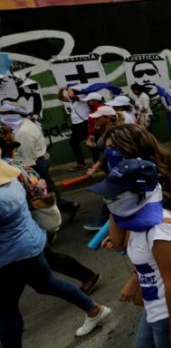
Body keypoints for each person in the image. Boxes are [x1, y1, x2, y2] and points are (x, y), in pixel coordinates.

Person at [0, 157, 111, 348]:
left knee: (6, 311)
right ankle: (94, 309)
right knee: (46, 284)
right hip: (30, 244)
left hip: (10, 257)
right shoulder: (12, 181)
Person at [92, 159, 171, 348]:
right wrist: (116, 208)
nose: (109, 199)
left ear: (139, 194)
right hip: (156, 308)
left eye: (115, 194)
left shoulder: (160, 228)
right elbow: (117, 244)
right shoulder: (138, 216)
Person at [0, 125, 102, 294]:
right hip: (24, 223)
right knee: (44, 258)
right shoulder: (15, 164)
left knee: (46, 258)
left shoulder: (11, 168)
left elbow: (37, 190)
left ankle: (87, 281)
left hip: (24, 222)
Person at [6, 102, 80, 220]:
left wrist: (26, 177)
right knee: (46, 191)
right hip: (39, 161)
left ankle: (62, 210)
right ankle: (67, 207)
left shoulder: (22, 132)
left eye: (4, 113)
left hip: (33, 165)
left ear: (14, 114)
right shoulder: (25, 125)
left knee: (40, 195)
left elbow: (27, 158)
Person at [57, 86, 91, 170]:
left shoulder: (83, 97)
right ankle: (83, 163)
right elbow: (60, 97)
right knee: (86, 142)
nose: (68, 92)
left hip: (83, 123)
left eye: (70, 90)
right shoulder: (72, 100)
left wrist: (69, 88)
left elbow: (72, 96)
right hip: (77, 124)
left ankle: (82, 163)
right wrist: (61, 90)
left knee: (75, 143)